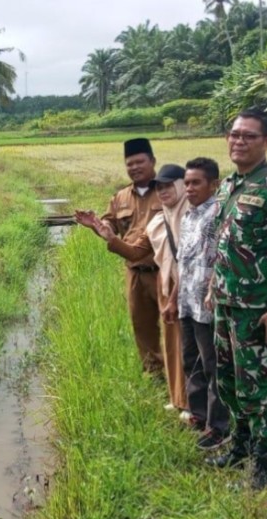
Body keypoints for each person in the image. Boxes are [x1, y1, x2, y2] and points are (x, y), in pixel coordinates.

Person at [206, 108, 267, 489]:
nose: (239, 141)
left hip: (257, 310)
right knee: (230, 382)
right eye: (234, 134)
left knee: (257, 387)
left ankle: (266, 470)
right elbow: (225, 244)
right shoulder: (231, 185)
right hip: (227, 303)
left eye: (248, 135)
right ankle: (241, 448)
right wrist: (214, 287)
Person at [77, 164, 188, 414]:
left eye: (170, 185)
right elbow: (136, 252)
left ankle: (199, 406)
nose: (164, 191)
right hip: (167, 284)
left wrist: (176, 295)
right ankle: (181, 399)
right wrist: (109, 236)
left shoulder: (194, 216)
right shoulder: (159, 221)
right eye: (159, 187)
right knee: (171, 341)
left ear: (183, 185)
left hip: (190, 289)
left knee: (190, 345)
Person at [75, 138, 164, 376]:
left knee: (174, 325)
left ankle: (181, 377)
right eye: (129, 163)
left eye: (139, 162)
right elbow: (110, 224)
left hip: (165, 272)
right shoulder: (120, 197)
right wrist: (97, 225)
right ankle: (153, 373)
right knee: (141, 325)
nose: (134, 167)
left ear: (152, 161)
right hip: (135, 272)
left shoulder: (167, 191)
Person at [177, 158, 230, 450]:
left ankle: (218, 427)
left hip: (208, 306)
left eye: (196, 182)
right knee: (191, 361)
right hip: (187, 301)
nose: (189, 188)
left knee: (213, 366)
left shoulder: (221, 215)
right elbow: (183, 261)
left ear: (214, 184)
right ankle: (197, 414)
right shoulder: (189, 216)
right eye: (186, 183)